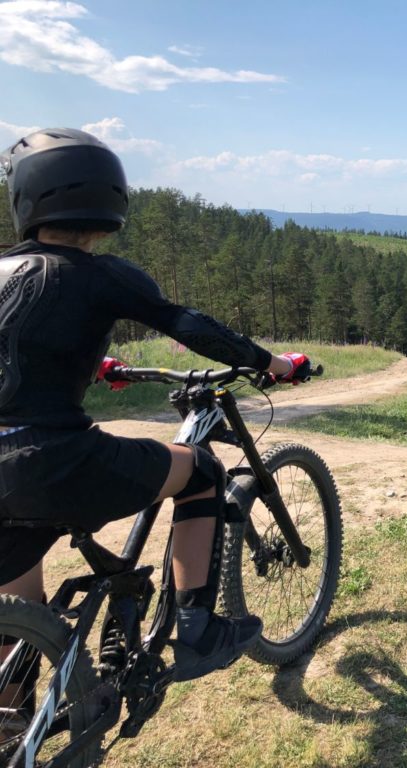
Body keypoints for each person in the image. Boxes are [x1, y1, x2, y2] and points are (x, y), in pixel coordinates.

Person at [0, 127, 311, 689]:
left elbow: (22, 345)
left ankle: (14, 723)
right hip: (49, 459)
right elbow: (190, 325)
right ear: (111, 198)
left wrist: (94, 364)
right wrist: (273, 364)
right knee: (203, 470)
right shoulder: (100, 273)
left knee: (20, 619)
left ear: (25, 199)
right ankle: (196, 627)